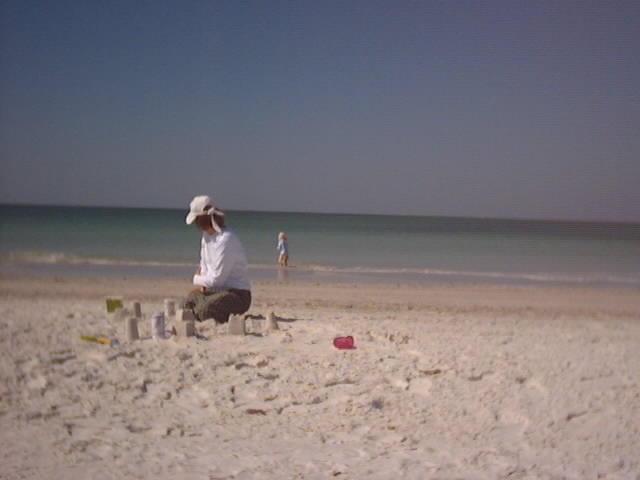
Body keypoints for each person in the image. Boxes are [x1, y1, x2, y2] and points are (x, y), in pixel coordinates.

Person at [180, 195, 252, 323]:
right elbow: (204, 266)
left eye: (197, 220)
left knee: (205, 309)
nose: (196, 224)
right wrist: (203, 283)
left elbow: (217, 280)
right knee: (186, 302)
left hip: (237, 294)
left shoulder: (226, 239)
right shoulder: (206, 237)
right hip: (213, 291)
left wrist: (196, 279)